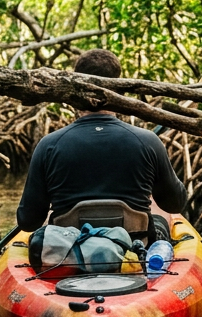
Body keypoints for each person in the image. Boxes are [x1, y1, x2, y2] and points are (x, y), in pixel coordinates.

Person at [16, 48, 187, 241]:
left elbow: (28, 221)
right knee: (160, 221)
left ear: (74, 89)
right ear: (119, 91)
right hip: (135, 251)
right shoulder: (148, 141)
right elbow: (175, 205)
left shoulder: (48, 145)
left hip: (67, 254)